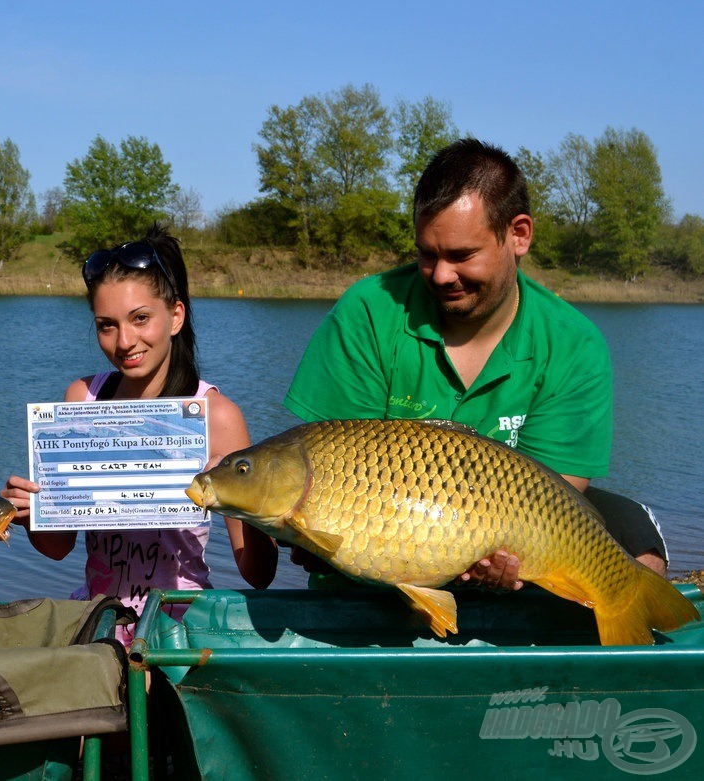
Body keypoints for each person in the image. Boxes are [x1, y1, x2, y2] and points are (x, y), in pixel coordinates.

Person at [282, 138, 668, 590]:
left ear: (518, 234)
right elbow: (338, 471)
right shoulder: (368, 311)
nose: (442, 275)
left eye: (462, 256)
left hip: (502, 524)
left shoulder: (573, 343)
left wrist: (502, 554)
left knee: (638, 545)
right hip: (389, 528)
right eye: (428, 254)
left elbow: (553, 498)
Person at [1, 226, 278, 644]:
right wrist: (29, 515)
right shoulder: (82, 399)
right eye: (106, 325)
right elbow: (58, 547)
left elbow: (258, 575)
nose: (125, 341)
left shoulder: (217, 416)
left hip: (181, 630)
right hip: (100, 623)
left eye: (140, 318)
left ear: (176, 317)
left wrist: (250, 502)